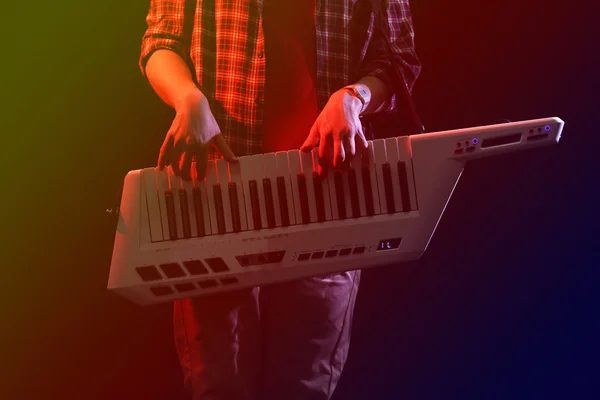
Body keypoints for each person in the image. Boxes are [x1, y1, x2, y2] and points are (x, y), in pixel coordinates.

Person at [139, 0, 421, 399]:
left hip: (325, 194)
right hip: (217, 189)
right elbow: (160, 40)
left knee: (302, 386)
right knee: (219, 385)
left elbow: (397, 59)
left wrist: (352, 98)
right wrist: (187, 97)